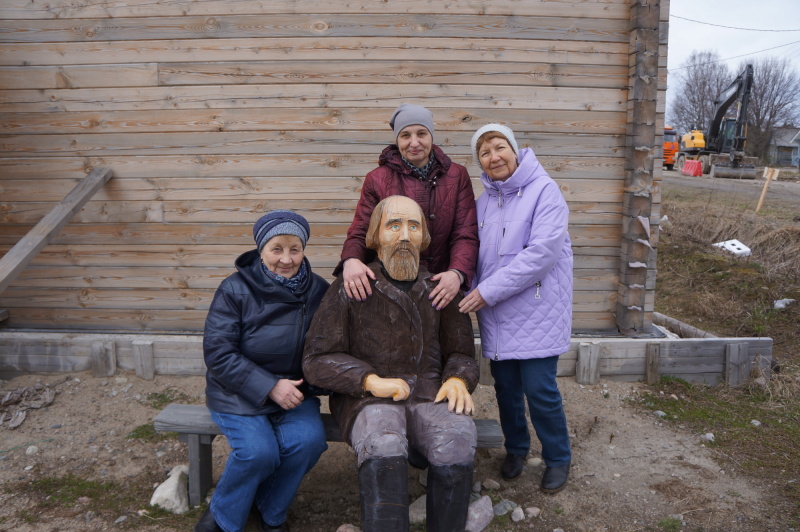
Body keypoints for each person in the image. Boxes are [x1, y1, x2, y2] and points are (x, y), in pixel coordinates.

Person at [303, 195, 479, 532]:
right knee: (384, 439)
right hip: (367, 399)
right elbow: (316, 360)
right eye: (393, 225)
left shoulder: (440, 288)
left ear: (424, 237)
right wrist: (369, 380)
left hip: (430, 394)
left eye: (414, 225)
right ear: (375, 236)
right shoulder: (351, 287)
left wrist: (457, 379)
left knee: (457, 436)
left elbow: (462, 354)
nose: (404, 235)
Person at [195, 210, 330, 532]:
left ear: (303, 249)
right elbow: (218, 352)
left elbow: (330, 343)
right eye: (276, 249)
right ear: (261, 251)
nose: (286, 259)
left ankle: (270, 512)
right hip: (239, 391)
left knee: (308, 443)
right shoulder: (234, 289)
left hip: (296, 394)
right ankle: (223, 517)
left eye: (294, 248)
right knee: (258, 453)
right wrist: (269, 386)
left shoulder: (319, 290)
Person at [459, 124, 573, 494]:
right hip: (496, 312)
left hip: (536, 310)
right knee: (506, 388)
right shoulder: (482, 204)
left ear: (516, 149)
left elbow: (541, 254)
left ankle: (557, 457)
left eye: (499, 147)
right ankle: (517, 449)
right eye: (485, 153)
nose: (494, 157)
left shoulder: (545, 192)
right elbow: (472, 255)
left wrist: (485, 293)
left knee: (540, 389)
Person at [336, 103, 478, 310]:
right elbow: (362, 229)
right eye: (405, 135)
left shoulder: (457, 176)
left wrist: (457, 273)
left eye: (421, 133)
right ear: (397, 140)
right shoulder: (377, 179)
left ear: (431, 135)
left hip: (440, 287)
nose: (414, 142)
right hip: (390, 285)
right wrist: (351, 260)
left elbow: (465, 233)